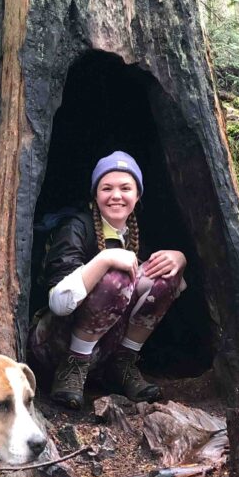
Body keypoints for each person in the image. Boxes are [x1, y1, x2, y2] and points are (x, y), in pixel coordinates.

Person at [27, 151, 187, 409]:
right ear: (95, 194)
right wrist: (104, 260)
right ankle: (73, 367)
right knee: (117, 276)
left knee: (165, 275)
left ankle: (122, 363)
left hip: (105, 348)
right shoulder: (76, 228)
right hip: (54, 343)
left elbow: (152, 284)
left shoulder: (134, 232)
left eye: (125, 188)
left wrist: (179, 259)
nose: (116, 196)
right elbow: (58, 304)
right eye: (106, 188)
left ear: (138, 195)